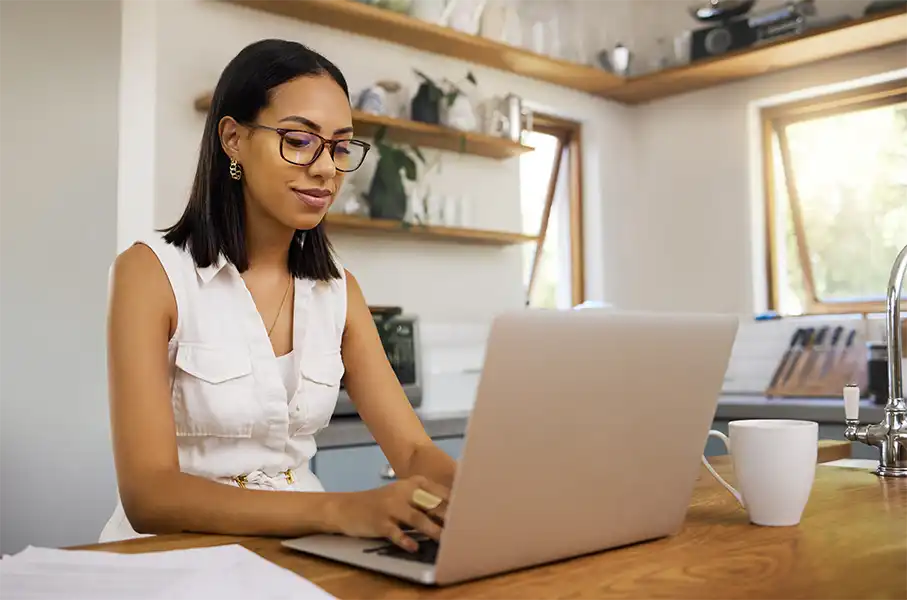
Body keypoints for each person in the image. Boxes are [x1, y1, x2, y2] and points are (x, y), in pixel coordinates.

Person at [100, 39, 457, 554]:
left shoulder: (339, 292)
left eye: (338, 146)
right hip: (172, 562)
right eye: (298, 140)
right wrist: (339, 510)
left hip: (301, 556)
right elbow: (149, 494)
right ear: (233, 140)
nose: (325, 168)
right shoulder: (150, 275)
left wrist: (473, 494)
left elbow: (415, 450)